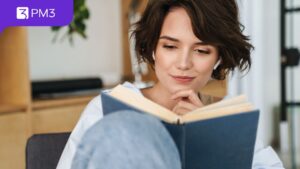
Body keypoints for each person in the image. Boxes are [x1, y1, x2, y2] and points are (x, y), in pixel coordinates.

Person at [57, 0, 285, 168]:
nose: (183, 63)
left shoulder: (226, 119)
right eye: (170, 46)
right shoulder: (104, 109)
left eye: (201, 50)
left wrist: (211, 138)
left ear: (218, 58)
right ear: (153, 49)